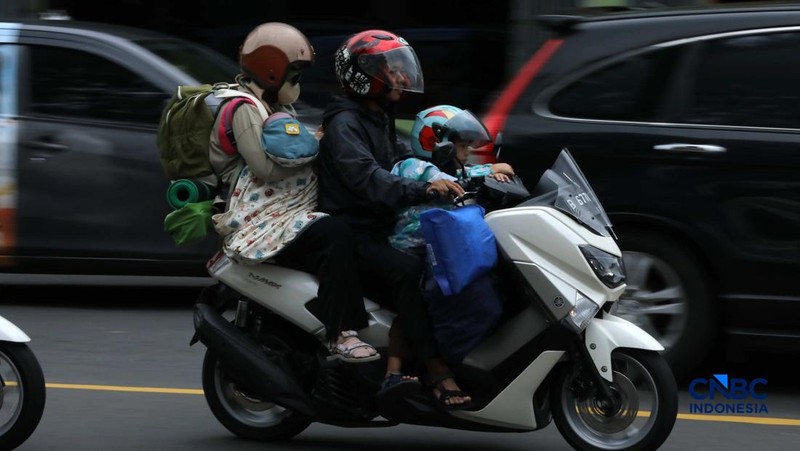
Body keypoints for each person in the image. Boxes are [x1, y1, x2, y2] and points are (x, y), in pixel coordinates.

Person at [317, 29, 474, 409]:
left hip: (382, 223)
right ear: (366, 75)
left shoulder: (376, 116)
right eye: (391, 69)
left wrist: (460, 170)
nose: (401, 78)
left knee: (435, 268)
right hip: (355, 230)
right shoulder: (345, 124)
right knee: (409, 272)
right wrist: (425, 189)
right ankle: (434, 372)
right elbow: (369, 177)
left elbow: (404, 159)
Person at [210, 22, 378, 363]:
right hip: (259, 215)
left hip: (282, 206)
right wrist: (314, 147)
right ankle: (340, 333)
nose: (297, 85)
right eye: (295, 75)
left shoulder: (276, 107)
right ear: (272, 72)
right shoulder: (245, 108)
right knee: (334, 233)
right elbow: (266, 169)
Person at [390, 104, 515, 254]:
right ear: (436, 145)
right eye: (463, 146)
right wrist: (487, 170)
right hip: (411, 251)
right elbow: (446, 181)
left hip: (439, 247)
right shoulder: (414, 166)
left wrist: (492, 177)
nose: (467, 153)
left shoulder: (448, 170)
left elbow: (463, 173)